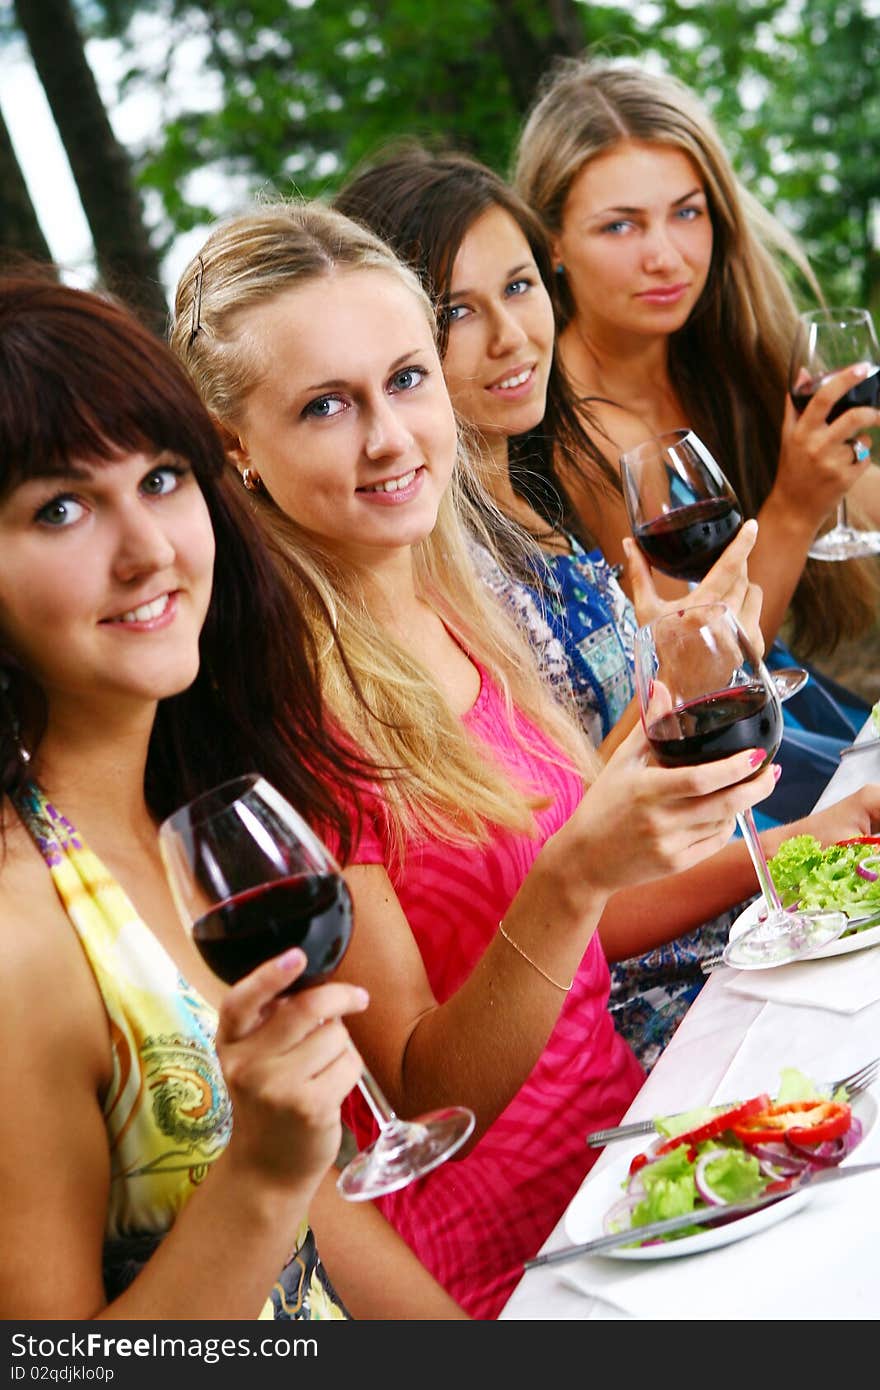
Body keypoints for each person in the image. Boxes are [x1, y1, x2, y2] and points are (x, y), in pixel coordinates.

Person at [169, 200, 880, 1317]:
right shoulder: (278, 718)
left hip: (638, 1156)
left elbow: (571, 928)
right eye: (324, 406)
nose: (390, 437)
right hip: (525, 1257)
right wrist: (577, 872)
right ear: (234, 453)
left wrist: (790, 841)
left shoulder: (456, 606)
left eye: (405, 379)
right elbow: (423, 1091)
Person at [0, 271, 470, 1321]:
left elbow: (318, 1215)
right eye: (61, 507)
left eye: (162, 478)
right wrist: (258, 1171)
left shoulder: (192, 806)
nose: (150, 550)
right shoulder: (19, 937)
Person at [332, 145, 768, 1061]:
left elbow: (613, 767)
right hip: (639, 1004)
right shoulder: (433, 573)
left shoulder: (530, 501)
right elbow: (571, 879)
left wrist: (689, 663)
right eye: (456, 312)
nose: (511, 337)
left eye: (521, 287)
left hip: (719, 924)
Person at [512, 57, 880, 802]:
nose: (666, 256)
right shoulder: (572, 428)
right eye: (620, 225)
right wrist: (798, 504)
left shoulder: (722, 348)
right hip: (720, 765)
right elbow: (706, 664)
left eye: (687, 212)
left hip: (801, 706)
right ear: (551, 243)